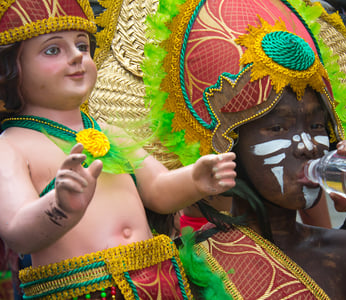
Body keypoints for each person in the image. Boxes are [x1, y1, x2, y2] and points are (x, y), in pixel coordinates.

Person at [144, 0, 346, 298]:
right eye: (278, 128)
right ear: (229, 146)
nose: (307, 146)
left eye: (317, 126)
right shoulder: (192, 268)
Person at [0, 0, 237, 299]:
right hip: (83, 291)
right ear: (10, 69)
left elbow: (158, 190)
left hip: (162, 280)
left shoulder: (108, 131)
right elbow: (17, 232)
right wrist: (58, 208)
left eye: (83, 46)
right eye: (53, 50)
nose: (76, 57)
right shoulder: (10, 147)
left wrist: (195, 180)